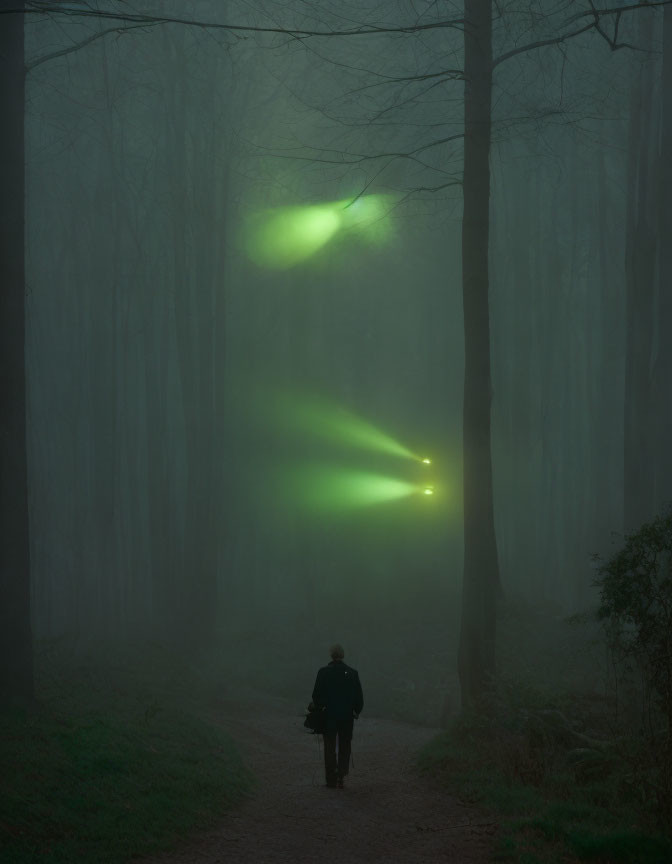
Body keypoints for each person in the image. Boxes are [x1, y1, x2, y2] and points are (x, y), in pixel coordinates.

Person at [311, 643, 364, 789]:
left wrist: (320, 706)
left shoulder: (323, 672)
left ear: (331, 655)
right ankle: (341, 775)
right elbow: (359, 697)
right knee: (345, 745)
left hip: (329, 716)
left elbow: (316, 695)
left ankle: (331, 779)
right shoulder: (353, 673)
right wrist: (356, 711)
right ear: (343, 655)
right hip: (346, 716)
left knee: (329, 747)